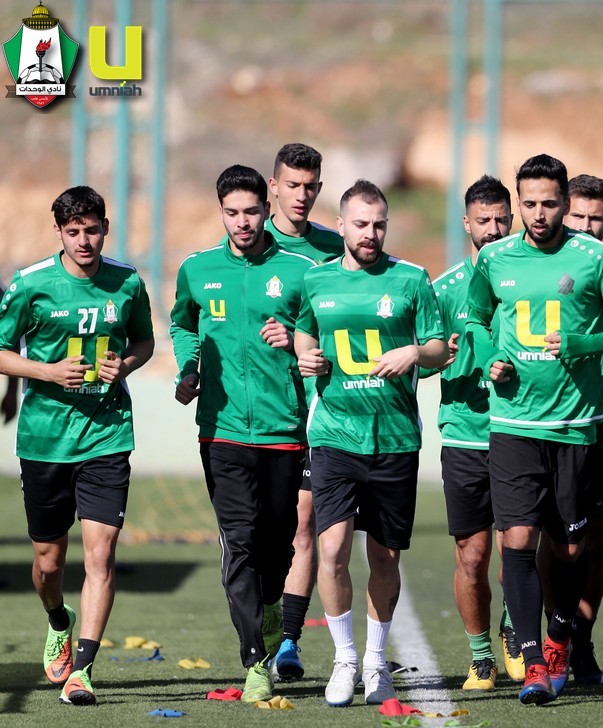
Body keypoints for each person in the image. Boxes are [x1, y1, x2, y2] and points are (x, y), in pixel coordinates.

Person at [465, 154, 603, 705]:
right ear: (518, 203)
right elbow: (474, 319)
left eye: (549, 203)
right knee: (517, 541)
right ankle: (531, 663)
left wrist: (584, 344)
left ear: (566, 202)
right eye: (529, 204)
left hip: (574, 427)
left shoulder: (596, 257)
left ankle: (559, 637)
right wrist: (489, 359)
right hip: (513, 424)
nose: (539, 214)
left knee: (570, 549)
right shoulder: (494, 258)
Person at [293, 180, 448, 707]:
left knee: (384, 557)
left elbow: (439, 347)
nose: (371, 233)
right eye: (361, 224)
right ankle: (344, 659)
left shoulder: (411, 279)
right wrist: (306, 354)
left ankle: (377, 661)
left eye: (379, 224)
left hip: (395, 438)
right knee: (332, 550)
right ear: (341, 225)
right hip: (335, 434)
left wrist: (415, 353)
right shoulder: (316, 279)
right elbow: (305, 330)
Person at [0, 186, 154, 706]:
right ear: (58, 232)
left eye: (91, 230)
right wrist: (46, 372)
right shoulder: (30, 284)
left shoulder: (127, 282)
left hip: (107, 435)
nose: (84, 241)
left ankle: (82, 671)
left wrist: (124, 365)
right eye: (73, 232)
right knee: (48, 565)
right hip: (44, 440)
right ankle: (57, 619)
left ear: (105, 228)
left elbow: (144, 341)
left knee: (101, 556)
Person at [171, 165, 317, 703]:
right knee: (239, 542)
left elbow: (320, 335)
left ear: (266, 210)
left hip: (284, 432)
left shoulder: (301, 271)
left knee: (277, 546)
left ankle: (274, 606)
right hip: (223, 431)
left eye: (251, 212)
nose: (242, 222)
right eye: (232, 213)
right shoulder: (197, 269)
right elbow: (183, 324)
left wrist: (295, 339)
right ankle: (255, 659)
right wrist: (190, 368)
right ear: (221, 213)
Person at [424, 175, 516, 691]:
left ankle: (512, 629)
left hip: (518, 431)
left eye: (501, 219)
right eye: (484, 220)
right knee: (472, 556)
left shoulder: (527, 278)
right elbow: (417, 359)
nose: (494, 229)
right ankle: (481, 656)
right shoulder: (443, 290)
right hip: (464, 435)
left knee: (516, 553)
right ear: (466, 224)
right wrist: (437, 358)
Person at [264, 142, 343, 682]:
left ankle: (288, 641)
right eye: (292, 185)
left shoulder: (337, 249)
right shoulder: (249, 241)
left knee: (304, 523)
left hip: (318, 408)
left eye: (311, 186)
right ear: (274, 186)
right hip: (260, 414)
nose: (302, 195)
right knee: (258, 533)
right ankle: (263, 625)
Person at [557, 173, 603, 685]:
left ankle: (581, 638)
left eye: (594, 218)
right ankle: (547, 635)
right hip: (558, 427)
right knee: (556, 541)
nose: (585, 226)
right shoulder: (550, 270)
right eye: (577, 216)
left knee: (599, 540)